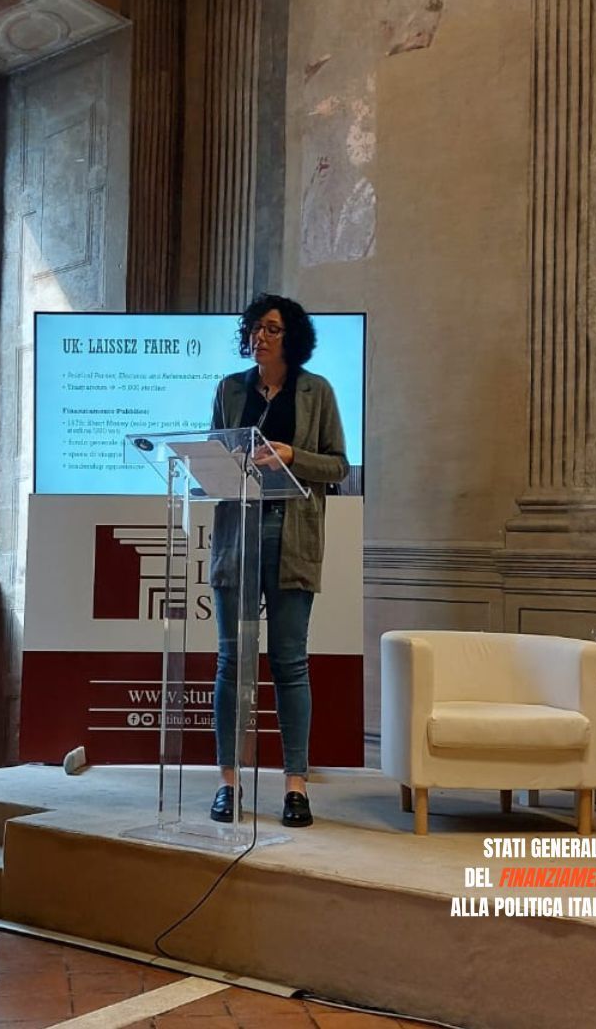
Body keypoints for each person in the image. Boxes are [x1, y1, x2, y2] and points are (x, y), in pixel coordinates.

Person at [208, 293, 348, 827]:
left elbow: (338, 466)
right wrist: (220, 463)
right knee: (231, 663)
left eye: (271, 328)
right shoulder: (230, 388)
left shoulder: (317, 392)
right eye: (254, 328)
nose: (259, 336)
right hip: (237, 533)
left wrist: (293, 455)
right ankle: (228, 782)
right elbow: (214, 455)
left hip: (292, 535)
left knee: (289, 663)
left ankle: (295, 786)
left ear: (292, 338)